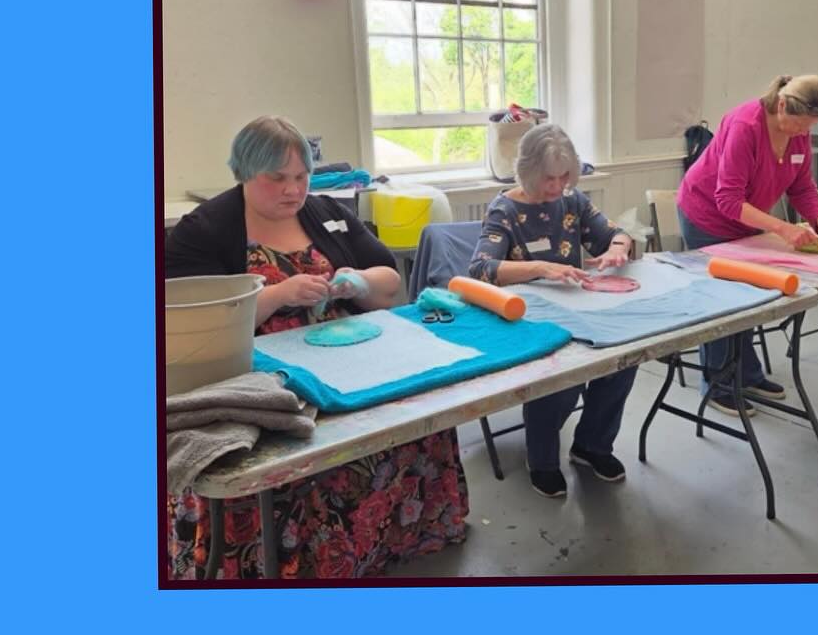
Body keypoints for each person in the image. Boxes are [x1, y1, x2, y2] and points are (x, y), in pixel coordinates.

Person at [163, 117, 467, 579]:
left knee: (416, 413)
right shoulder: (204, 230)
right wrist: (277, 296)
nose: (293, 190)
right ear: (243, 172)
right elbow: (193, 327)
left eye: (301, 176)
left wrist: (355, 281)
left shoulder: (328, 213)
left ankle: (396, 539)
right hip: (256, 374)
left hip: (344, 357)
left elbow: (389, 283)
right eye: (277, 178)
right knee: (293, 452)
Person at [468, 123, 637, 500]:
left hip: (573, 307)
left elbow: (617, 233)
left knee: (624, 358)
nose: (557, 187)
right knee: (564, 373)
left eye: (565, 177)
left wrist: (617, 248)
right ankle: (542, 459)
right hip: (524, 316)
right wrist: (542, 268)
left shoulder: (571, 201)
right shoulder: (504, 209)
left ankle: (591, 446)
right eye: (549, 178)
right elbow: (480, 270)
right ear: (527, 171)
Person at [675, 75, 818, 413]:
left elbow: (801, 185)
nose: (802, 133)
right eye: (798, 125)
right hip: (706, 215)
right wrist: (783, 229)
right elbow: (727, 200)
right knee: (722, 298)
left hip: (748, 218)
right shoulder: (744, 125)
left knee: (750, 295)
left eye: (808, 128)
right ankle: (717, 383)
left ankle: (747, 373)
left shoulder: (799, 132)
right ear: (782, 105)